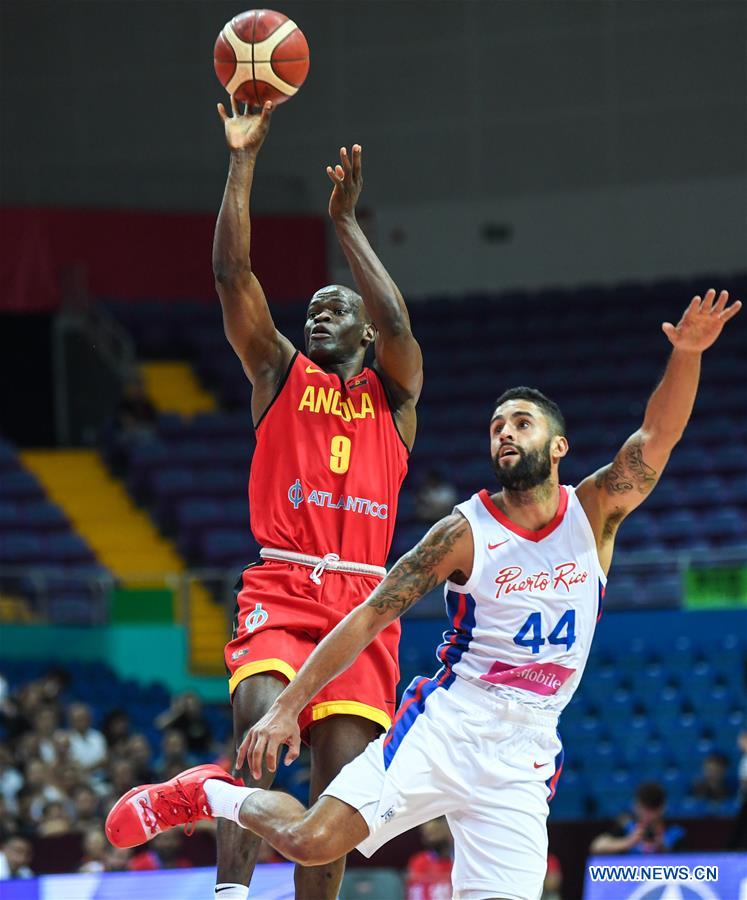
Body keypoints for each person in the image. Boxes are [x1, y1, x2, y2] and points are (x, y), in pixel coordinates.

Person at [106, 291, 739, 900]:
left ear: (559, 446)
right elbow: (366, 618)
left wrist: (687, 354)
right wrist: (285, 707)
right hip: (449, 724)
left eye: (522, 423)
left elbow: (658, 436)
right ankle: (206, 793)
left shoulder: (595, 512)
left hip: (525, 754)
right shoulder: (464, 532)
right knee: (311, 841)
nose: (506, 434)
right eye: (496, 426)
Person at [207, 94, 422, 900]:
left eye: (335, 309)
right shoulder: (278, 374)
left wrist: (347, 225)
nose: (317, 315)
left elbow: (400, 325)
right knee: (256, 733)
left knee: (338, 799)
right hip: (285, 583)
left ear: (363, 335)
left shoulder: (396, 402)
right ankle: (230, 892)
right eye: (311, 311)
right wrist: (243, 157)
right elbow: (233, 274)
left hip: (364, 605)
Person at [590, 782, 685, 855]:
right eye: (644, 809)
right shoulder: (627, 827)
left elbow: (687, 861)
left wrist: (663, 848)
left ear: (663, 808)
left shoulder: (675, 831)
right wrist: (629, 842)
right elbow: (597, 846)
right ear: (636, 807)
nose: (648, 815)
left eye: (653, 809)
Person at [405, 817, 453, 900]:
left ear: (447, 831)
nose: (431, 838)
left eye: (435, 832)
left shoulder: (461, 858)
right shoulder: (418, 861)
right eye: (428, 835)